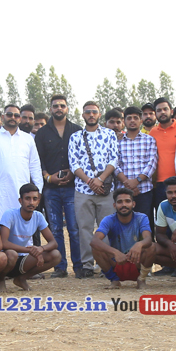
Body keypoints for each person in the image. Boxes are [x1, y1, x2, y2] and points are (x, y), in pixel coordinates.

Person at [35, 94, 83, 278]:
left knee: (74, 228)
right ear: (50, 109)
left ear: (67, 108)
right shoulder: (42, 133)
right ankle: (60, 267)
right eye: (55, 106)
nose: (59, 108)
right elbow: (38, 160)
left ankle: (79, 266)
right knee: (55, 229)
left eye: (62, 105)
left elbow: (81, 157)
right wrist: (48, 178)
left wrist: (73, 172)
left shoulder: (77, 130)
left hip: (72, 186)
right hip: (50, 189)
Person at [68, 101, 118, 276]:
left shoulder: (109, 134)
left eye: (94, 112)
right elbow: (74, 164)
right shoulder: (75, 137)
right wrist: (90, 181)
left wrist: (100, 180)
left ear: (99, 114)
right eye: (87, 112)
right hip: (82, 189)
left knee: (107, 228)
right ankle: (87, 265)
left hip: (106, 190)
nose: (91, 115)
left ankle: (107, 264)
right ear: (83, 115)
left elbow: (114, 160)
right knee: (84, 229)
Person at [0, 183, 62, 291]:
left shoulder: (38, 216)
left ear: (38, 201)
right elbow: (4, 243)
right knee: (12, 254)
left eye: (34, 199)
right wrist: (31, 251)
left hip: (23, 259)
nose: (31, 202)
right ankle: (0, 279)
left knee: (56, 255)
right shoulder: (10, 214)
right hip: (5, 258)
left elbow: (53, 243)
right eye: (27, 198)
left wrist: (41, 249)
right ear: (20, 201)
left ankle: (21, 278)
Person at [0, 104, 42, 211]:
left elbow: (35, 166)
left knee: (21, 220)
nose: (13, 117)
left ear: (20, 119)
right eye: (9, 114)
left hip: (23, 194)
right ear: (3, 117)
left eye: (16, 115)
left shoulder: (28, 139)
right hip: (0, 194)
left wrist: (39, 189)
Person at [91, 187, 154, 288]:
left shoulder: (141, 218)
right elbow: (94, 241)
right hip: (116, 262)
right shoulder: (108, 219)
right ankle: (114, 280)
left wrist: (139, 244)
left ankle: (141, 279)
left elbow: (148, 239)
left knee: (152, 247)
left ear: (133, 204)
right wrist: (115, 252)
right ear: (114, 205)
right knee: (96, 248)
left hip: (136, 261)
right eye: (120, 202)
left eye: (127, 201)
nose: (124, 205)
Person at [116, 106, 158, 227]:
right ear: (124, 122)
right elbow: (114, 164)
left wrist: (137, 181)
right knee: (123, 226)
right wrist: (128, 184)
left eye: (136, 118)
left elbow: (152, 163)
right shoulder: (117, 142)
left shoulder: (150, 140)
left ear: (141, 121)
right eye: (129, 118)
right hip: (123, 191)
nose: (132, 121)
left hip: (144, 190)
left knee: (145, 225)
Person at [149, 96, 176, 221]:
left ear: (171, 111)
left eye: (165, 109)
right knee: (164, 220)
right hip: (161, 183)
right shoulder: (153, 132)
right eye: (159, 110)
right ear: (155, 114)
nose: (162, 112)